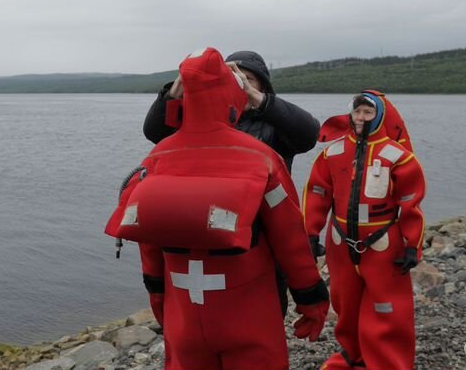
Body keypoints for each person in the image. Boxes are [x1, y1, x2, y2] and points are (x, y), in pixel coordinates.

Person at [107, 48, 329, 370]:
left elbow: (149, 242)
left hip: (184, 303)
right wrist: (311, 298)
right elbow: (290, 237)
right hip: (248, 301)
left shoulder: (158, 160)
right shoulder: (262, 159)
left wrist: (158, 296)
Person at [303, 91, 426, 370]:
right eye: (357, 112)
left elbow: (411, 203)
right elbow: (318, 193)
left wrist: (412, 245)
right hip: (341, 241)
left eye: (367, 113)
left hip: (382, 243)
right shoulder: (332, 153)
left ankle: (388, 362)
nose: (361, 117)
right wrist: (310, 233)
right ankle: (352, 356)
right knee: (345, 303)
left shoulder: (399, 157)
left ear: (379, 116)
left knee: (388, 306)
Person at [142, 50, 319, 172]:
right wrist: (178, 87)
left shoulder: (274, 127)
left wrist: (254, 96)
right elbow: (155, 133)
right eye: (232, 79)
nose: (240, 84)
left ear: (262, 88)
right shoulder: (206, 122)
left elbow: (309, 134)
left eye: (249, 79)